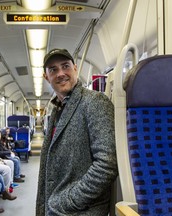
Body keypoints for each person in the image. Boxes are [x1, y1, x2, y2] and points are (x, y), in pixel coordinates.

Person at [36, 48, 118, 216]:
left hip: (80, 210)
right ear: (46, 77)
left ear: (75, 68)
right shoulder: (56, 111)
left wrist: (67, 202)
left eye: (65, 66)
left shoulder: (95, 102)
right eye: (53, 69)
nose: (60, 73)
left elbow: (107, 164)